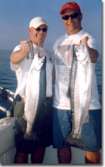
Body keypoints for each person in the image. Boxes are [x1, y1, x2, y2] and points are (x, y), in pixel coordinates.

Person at [52, 1, 101, 164]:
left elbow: (94, 56)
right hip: (60, 105)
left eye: (73, 15)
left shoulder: (88, 38)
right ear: (62, 19)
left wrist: (86, 49)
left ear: (80, 16)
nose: (69, 20)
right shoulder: (57, 42)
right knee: (62, 147)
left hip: (87, 104)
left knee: (92, 150)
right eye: (65, 17)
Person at [10, 16, 52, 164]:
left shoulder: (47, 54)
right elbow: (14, 59)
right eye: (38, 29)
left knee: (40, 148)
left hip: (45, 105)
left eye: (44, 29)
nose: (41, 32)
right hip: (25, 103)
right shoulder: (22, 47)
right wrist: (23, 52)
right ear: (30, 30)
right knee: (22, 149)